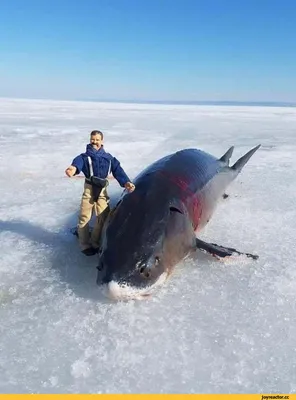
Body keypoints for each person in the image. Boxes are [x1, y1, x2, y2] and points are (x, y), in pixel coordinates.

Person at [65, 130, 135, 256]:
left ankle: (95, 242)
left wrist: (126, 182)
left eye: (97, 139)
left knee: (103, 216)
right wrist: (72, 169)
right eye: (93, 139)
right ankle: (84, 244)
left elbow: (118, 171)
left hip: (102, 189)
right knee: (84, 217)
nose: (94, 142)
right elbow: (77, 164)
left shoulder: (109, 158)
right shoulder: (84, 157)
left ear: (102, 141)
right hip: (89, 188)